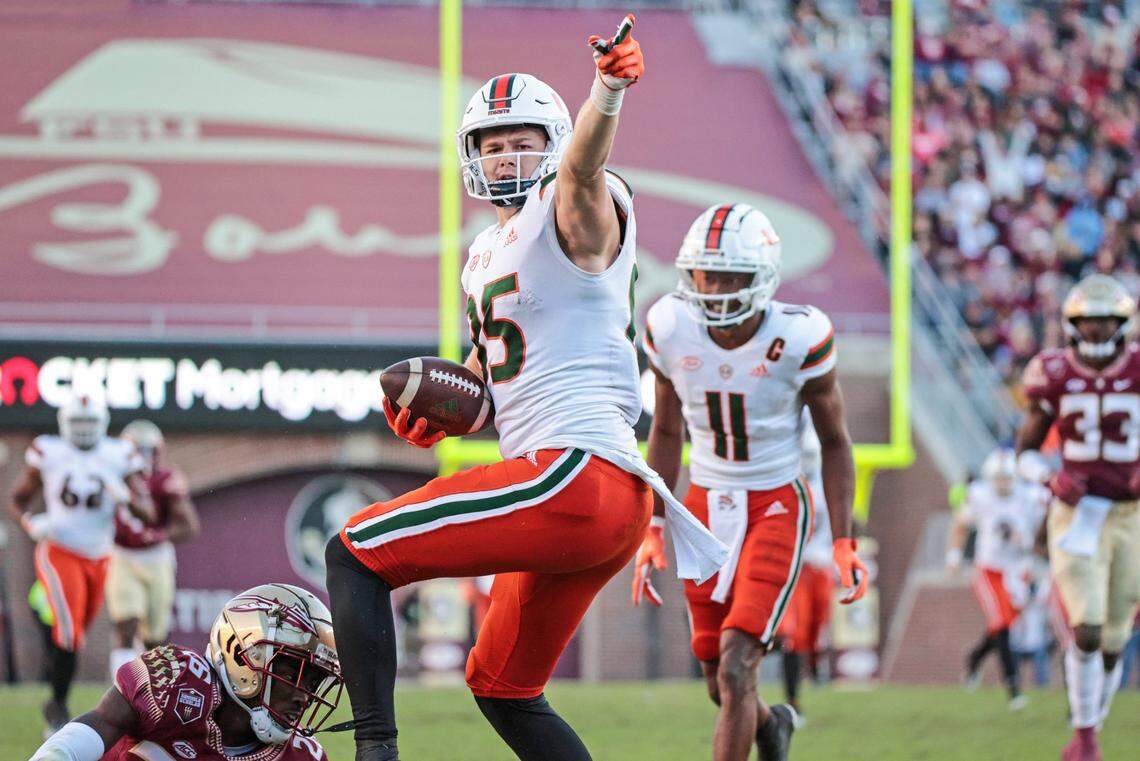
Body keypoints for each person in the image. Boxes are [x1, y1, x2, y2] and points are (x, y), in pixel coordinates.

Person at [323, 16, 725, 761]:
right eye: (493, 144)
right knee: (501, 682)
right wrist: (443, 409)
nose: (508, 157)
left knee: (355, 552)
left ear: (554, 143)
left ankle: (373, 751)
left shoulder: (572, 207)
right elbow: (488, 381)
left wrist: (606, 93)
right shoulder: (482, 252)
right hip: (591, 489)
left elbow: (580, 175)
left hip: (578, 471)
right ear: (471, 157)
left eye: (524, 141)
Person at [634, 202, 868, 761]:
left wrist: (841, 539)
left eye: (729, 276)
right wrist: (654, 524)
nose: (713, 288)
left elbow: (835, 442)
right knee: (721, 681)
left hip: (776, 504)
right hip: (703, 505)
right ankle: (774, 726)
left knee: (741, 666)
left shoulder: (800, 336)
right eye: (704, 274)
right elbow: (665, 430)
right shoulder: (669, 326)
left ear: (760, 278)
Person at [1016, 274, 1140, 761]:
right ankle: (1085, 738)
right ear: (1073, 326)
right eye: (1088, 322)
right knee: (1085, 627)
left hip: (1131, 515)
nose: (1096, 331)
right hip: (1076, 514)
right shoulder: (1052, 373)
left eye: (1106, 321)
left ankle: (1091, 724)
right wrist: (1050, 480)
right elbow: (1023, 452)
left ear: (1122, 324)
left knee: (1114, 637)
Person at [29, 583, 342, 761]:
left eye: (313, 681)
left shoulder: (303, 756)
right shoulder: (178, 680)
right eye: (293, 674)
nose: (305, 695)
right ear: (241, 654)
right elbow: (99, 725)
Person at [7, 393, 154, 737]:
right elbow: (16, 499)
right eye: (78, 423)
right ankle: (57, 710)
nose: (84, 431)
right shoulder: (49, 451)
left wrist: (127, 500)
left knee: (75, 639)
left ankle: (54, 699)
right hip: (59, 548)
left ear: (102, 425)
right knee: (69, 633)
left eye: (90, 424)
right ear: (64, 424)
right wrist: (30, 522)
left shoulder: (118, 454)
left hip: (100, 556)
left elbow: (146, 513)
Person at [945, 447, 1046, 710]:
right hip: (988, 569)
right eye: (999, 478)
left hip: (1017, 570)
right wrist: (954, 555)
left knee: (1001, 626)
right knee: (1001, 625)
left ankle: (974, 659)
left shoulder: (1030, 497)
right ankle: (1013, 689)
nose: (1003, 483)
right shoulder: (980, 495)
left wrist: (1027, 544)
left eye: (1007, 477)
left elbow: (1044, 535)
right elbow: (960, 524)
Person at [106, 419, 201, 675]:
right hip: (122, 554)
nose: (141, 457)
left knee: (155, 636)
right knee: (125, 624)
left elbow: (190, 526)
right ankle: (121, 686)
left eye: (147, 450)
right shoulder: (112, 475)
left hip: (156, 558)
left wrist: (159, 535)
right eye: (136, 450)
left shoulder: (165, 479)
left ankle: (152, 688)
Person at [777, 417, 835, 721]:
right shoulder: (788, 487)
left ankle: (815, 664)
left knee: (816, 628)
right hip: (795, 567)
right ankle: (793, 698)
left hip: (821, 565)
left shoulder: (828, 486)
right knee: (793, 633)